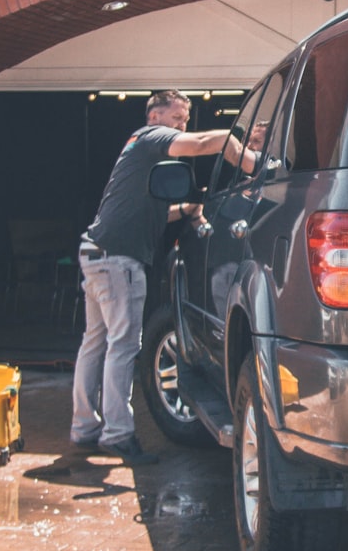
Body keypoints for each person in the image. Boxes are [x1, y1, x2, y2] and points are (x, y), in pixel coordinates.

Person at [71, 89, 260, 466]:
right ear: (154, 115)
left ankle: (83, 428)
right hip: (117, 261)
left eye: (184, 120)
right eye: (177, 118)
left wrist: (189, 208)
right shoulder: (150, 137)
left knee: (95, 343)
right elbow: (210, 141)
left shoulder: (138, 154)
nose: (182, 126)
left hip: (95, 252)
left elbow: (154, 213)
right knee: (123, 346)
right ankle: (118, 435)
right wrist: (248, 157)